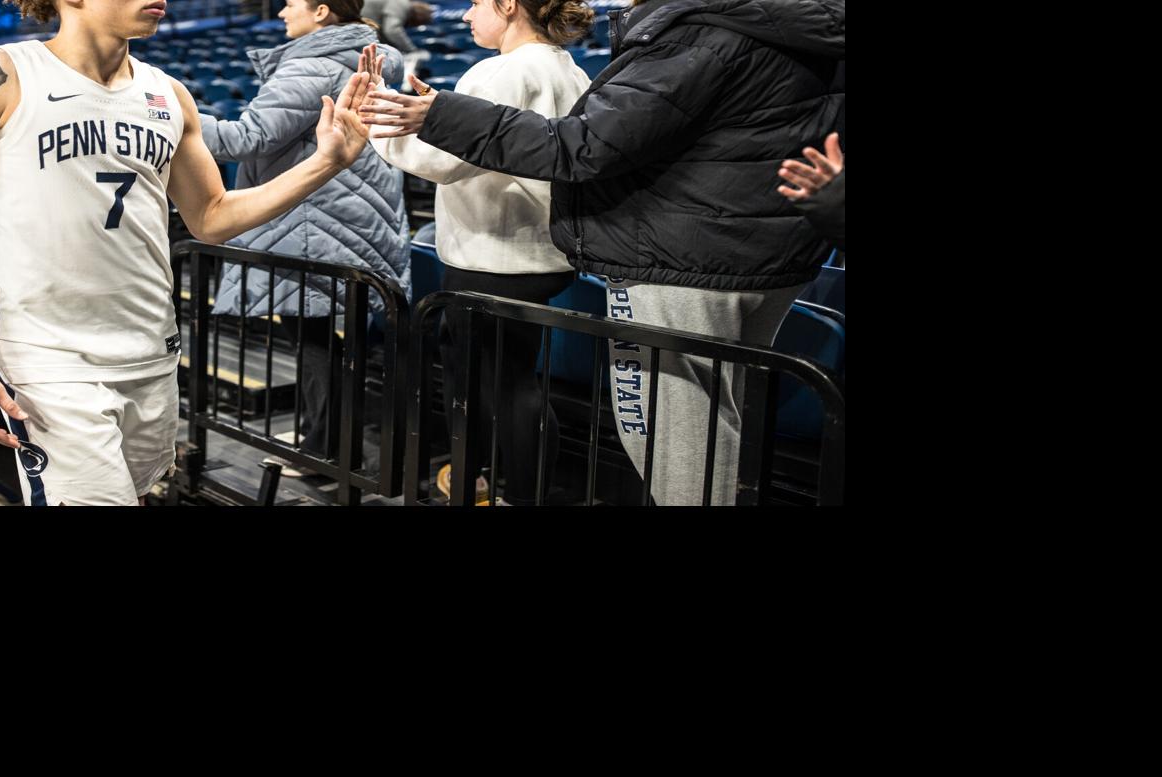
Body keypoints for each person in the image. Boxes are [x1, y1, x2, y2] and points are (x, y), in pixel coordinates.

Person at [0, 0, 378, 506]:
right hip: (47, 356)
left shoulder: (169, 93)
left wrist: (325, 162)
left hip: (151, 351)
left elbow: (211, 216)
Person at [360, 0, 844, 505]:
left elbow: (586, 146)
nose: (464, 15)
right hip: (750, 252)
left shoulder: (702, 34)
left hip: (673, 260)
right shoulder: (792, 30)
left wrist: (409, 116)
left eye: (477, 2)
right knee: (710, 429)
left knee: (674, 442)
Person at [365, 0, 591, 505]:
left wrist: (374, 118)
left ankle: (490, 488)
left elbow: (441, 161)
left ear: (508, 6)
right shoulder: (568, 68)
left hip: (493, 255)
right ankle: (497, 486)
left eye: (474, 3)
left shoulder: (500, 71)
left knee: (498, 385)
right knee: (511, 380)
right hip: (540, 252)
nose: (466, 15)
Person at [198, 0, 408, 470]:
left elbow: (247, 138)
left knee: (315, 339)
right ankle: (329, 441)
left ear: (321, 12)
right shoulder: (363, 57)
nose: (280, 14)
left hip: (314, 219)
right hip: (347, 216)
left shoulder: (313, 66)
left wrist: (173, 116)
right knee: (331, 340)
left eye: (290, 4)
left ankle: (325, 449)